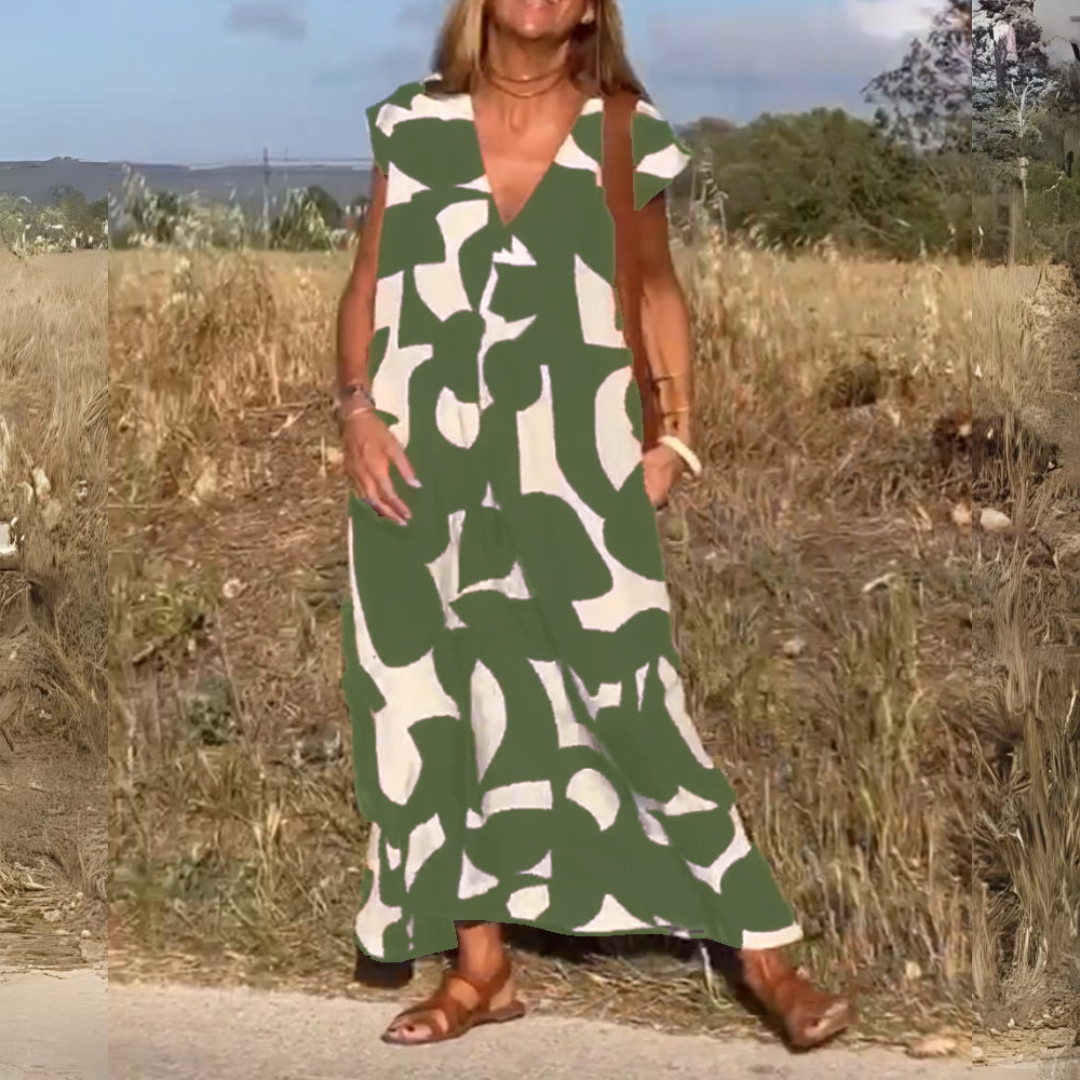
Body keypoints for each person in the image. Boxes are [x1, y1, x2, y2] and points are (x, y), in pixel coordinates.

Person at [336, 0, 854, 1050]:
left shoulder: (623, 133)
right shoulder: (411, 124)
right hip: (418, 470)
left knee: (632, 693)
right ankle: (480, 969)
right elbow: (369, 279)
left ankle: (766, 956)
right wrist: (354, 411)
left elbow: (655, 289)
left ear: (588, 10)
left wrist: (678, 436)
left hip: (575, 467)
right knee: (440, 706)